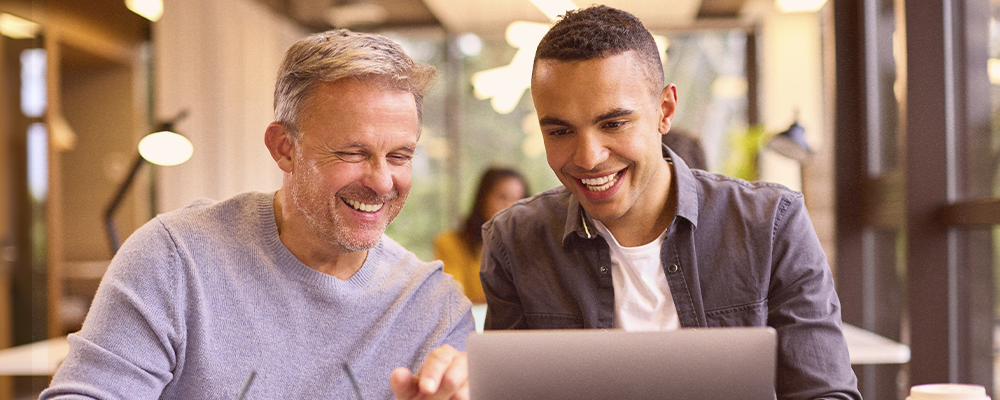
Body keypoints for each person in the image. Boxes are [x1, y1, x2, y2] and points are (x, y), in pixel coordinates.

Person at [41, 29, 472, 400]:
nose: (381, 182)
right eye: (352, 152)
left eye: (399, 156)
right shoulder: (174, 260)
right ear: (284, 148)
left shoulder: (434, 308)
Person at [479, 5, 861, 400]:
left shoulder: (770, 226)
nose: (588, 157)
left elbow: (825, 394)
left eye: (613, 123)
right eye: (560, 131)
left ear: (665, 111)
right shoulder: (514, 241)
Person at [434, 167, 529, 304]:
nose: (511, 207)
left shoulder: (530, 247)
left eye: (519, 200)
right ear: (483, 199)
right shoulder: (450, 243)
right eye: (503, 197)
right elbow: (452, 298)